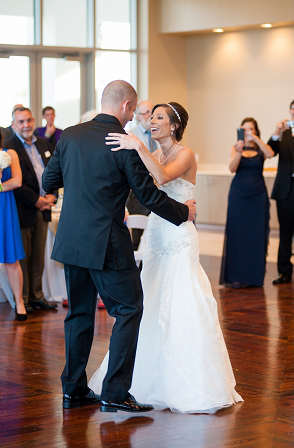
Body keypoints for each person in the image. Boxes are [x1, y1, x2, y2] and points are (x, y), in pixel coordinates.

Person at [42, 81, 196, 413]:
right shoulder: (122, 143)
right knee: (128, 310)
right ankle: (114, 391)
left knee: (79, 313)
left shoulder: (69, 135)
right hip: (106, 242)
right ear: (127, 106)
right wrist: (184, 213)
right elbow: (150, 197)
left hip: (71, 240)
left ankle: (73, 388)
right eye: (135, 109)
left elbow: (48, 182)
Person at [87, 100, 243, 413]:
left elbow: (162, 176)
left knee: (182, 297)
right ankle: (140, 377)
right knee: (150, 297)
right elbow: (142, 188)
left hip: (180, 233)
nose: (152, 121)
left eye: (159, 117)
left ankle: (187, 380)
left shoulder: (184, 153)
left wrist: (136, 146)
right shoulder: (154, 152)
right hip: (158, 231)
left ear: (173, 125)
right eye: (151, 116)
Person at [4, 106, 58, 313]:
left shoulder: (44, 143)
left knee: (38, 256)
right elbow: (14, 182)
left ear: (34, 121)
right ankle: (23, 299)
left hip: (44, 207)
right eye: (21, 122)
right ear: (13, 124)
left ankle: (37, 297)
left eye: (28, 120)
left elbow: (54, 171)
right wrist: (36, 200)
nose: (26, 125)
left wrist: (52, 194)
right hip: (22, 209)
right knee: (23, 256)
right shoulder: (9, 147)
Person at [220, 117, 273, 289]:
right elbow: (232, 168)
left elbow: (270, 154)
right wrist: (239, 151)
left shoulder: (261, 147)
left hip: (258, 195)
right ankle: (236, 276)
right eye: (245, 129)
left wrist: (255, 139)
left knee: (256, 234)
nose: (248, 131)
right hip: (239, 195)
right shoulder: (236, 148)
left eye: (251, 129)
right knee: (238, 233)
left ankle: (254, 276)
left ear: (256, 131)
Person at [0, 126, 28, 321]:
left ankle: (19, 302)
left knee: (11, 259)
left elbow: (17, 181)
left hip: (4, 208)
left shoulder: (10, 154)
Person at [267, 98, 294, 285]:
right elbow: (270, 150)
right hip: (285, 187)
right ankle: (284, 272)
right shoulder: (283, 133)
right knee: (285, 232)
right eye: (293, 108)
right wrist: (277, 132)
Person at [124, 100, 156, 251]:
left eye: (152, 112)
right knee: (135, 238)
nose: (151, 117)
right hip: (138, 194)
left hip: (158, 191)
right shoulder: (130, 135)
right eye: (146, 113)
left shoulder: (159, 134)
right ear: (137, 116)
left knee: (155, 238)